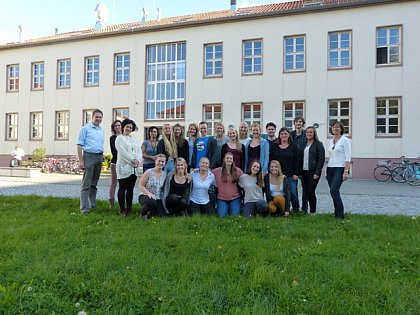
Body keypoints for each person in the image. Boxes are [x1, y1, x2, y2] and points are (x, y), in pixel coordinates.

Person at [77, 109, 104, 214]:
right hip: (88, 156)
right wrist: (81, 161)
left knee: (94, 183)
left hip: (99, 157)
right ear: (92, 117)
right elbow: (79, 145)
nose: (98, 119)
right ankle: (84, 209)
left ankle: (92, 204)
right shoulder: (85, 129)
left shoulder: (101, 130)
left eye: (100, 117)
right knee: (86, 184)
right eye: (97, 117)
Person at [115, 119, 142, 216]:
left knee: (130, 189)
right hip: (123, 166)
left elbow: (139, 151)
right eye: (127, 127)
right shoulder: (119, 138)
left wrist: (138, 160)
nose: (129, 129)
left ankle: (129, 208)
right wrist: (132, 160)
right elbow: (122, 152)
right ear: (123, 127)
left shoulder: (134, 139)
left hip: (133, 168)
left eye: (131, 127)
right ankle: (122, 209)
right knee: (122, 188)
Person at [269, 127, 300, 212]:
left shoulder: (293, 146)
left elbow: (297, 160)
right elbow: (270, 159)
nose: (284, 135)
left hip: (290, 174)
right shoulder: (274, 146)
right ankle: (282, 209)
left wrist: (296, 173)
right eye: (282, 134)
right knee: (279, 193)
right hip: (277, 174)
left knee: (292, 193)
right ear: (279, 135)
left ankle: (296, 210)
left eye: (285, 133)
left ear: (289, 135)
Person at [327, 121, 351, 219]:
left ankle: (340, 215)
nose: (335, 129)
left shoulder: (344, 140)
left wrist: (346, 171)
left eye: (337, 127)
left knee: (334, 190)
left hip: (340, 168)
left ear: (341, 129)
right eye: (333, 127)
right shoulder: (331, 140)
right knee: (333, 191)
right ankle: (336, 212)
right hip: (330, 168)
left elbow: (348, 156)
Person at [300, 126, 325, 215]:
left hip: (313, 171)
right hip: (304, 171)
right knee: (305, 191)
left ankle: (313, 211)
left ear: (314, 133)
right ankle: (304, 209)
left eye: (311, 132)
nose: (309, 134)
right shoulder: (304, 144)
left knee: (311, 190)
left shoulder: (318, 144)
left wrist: (317, 172)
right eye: (307, 132)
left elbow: (321, 159)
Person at [213, 152, 244, 217]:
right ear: (224, 159)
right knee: (221, 217)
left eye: (231, 158)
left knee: (234, 217)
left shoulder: (237, 171)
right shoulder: (217, 171)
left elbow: (246, 178)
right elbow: (207, 172)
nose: (229, 160)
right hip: (221, 198)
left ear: (232, 160)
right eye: (227, 158)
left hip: (235, 198)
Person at [139, 154, 167, 219]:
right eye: (159, 161)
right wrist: (149, 194)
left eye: (162, 162)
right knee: (152, 203)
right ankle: (142, 214)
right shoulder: (148, 172)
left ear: (165, 163)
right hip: (145, 195)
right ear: (155, 162)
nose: (160, 163)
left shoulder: (164, 174)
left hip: (158, 197)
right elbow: (141, 185)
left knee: (162, 215)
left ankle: (150, 213)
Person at [291, 116, 308, 212]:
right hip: (294, 164)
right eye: (296, 122)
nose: (298, 123)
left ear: (303, 123)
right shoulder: (291, 135)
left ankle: (305, 207)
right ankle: (295, 207)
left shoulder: (306, 134)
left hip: (305, 163)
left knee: (305, 188)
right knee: (294, 187)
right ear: (294, 123)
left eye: (300, 122)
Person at [108, 120, 122, 208]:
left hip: (124, 164)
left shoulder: (125, 137)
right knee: (114, 183)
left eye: (119, 125)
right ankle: (111, 202)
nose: (117, 127)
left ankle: (122, 203)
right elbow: (114, 151)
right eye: (115, 126)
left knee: (123, 184)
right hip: (115, 163)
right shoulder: (112, 138)